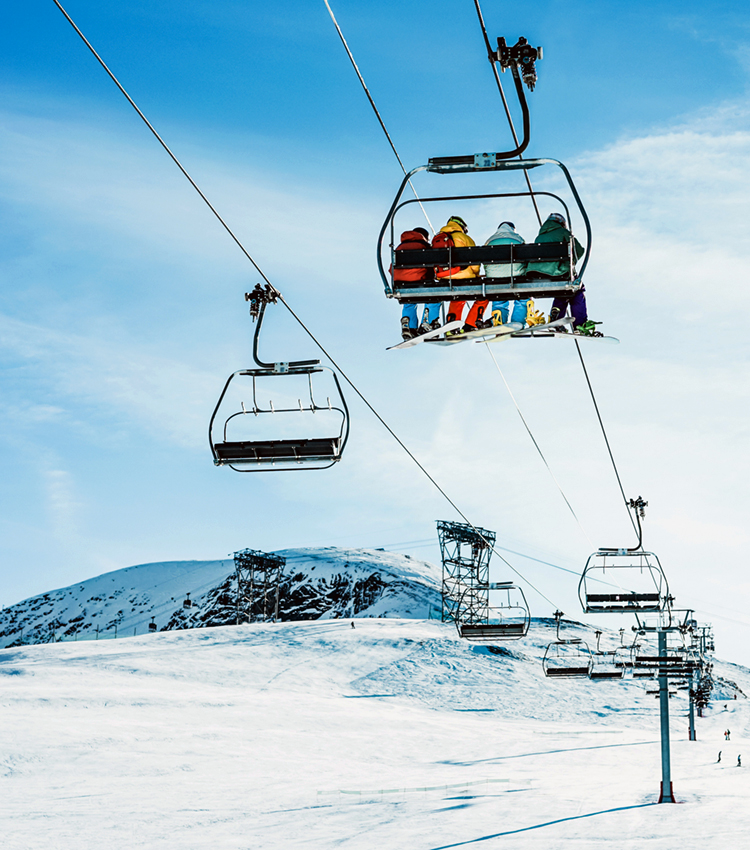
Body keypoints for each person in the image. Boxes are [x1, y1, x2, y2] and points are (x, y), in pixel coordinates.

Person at [527, 212, 598, 334]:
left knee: (562, 289)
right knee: (576, 289)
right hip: (557, 273)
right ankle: (579, 325)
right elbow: (579, 250)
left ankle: (556, 318)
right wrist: (570, 263)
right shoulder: (563, 233)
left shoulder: (539, 237)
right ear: (562, 223)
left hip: (536, 275)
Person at [432, 216, 484, 333]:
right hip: (463, 275)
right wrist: (475, 274)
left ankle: (451, 326)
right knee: (484, 295)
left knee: (458, 298)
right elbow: (474, 261)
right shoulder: (464, 238)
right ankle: (471, 323)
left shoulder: (438, 238)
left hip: (444, 276)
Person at [391, 227, 440, 340]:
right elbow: (433, 265)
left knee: (409, 301)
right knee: (434, 297)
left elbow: (391, 268)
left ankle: (409, 326)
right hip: (420, 280)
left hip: (401, 282)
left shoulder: (400, 247)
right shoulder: (424, 246)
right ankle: (429, 322)